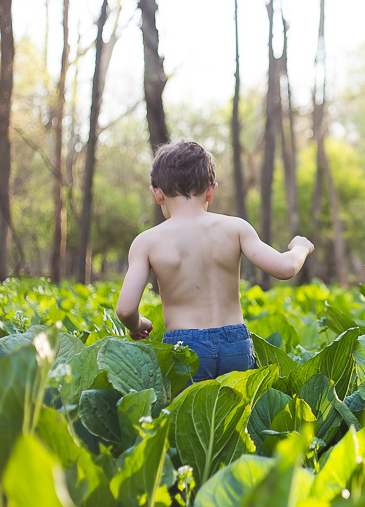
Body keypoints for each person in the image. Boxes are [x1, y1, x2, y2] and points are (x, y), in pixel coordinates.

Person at [115, 139, 314, 384]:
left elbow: (125, 309)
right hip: (236, 345)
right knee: (236, 417)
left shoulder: (147, 241)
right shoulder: (236, 228)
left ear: (157, 193)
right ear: (211, 190)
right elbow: (285, 268)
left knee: (192, 419)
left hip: (185, 346)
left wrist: (138, 324)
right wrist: (301, 248)